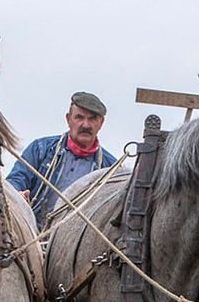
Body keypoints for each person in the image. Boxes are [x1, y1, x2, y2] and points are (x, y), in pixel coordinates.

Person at [6, 91, 117, 227]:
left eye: (92, 119)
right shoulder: (40, 149)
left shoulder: (111, 169)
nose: (86, 125)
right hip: (35, 234)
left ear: (101, 123)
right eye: (79, 117)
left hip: (80, 242)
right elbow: (14, 182)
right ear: (68, 119)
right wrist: (18, 195)